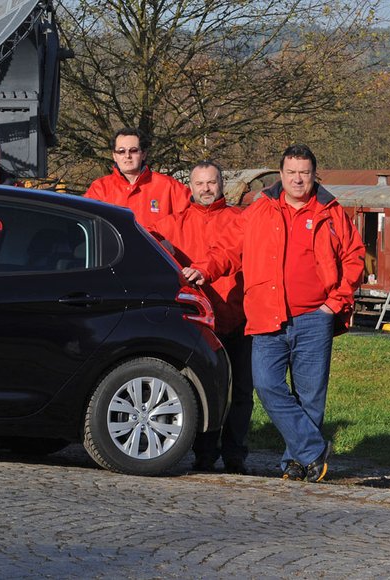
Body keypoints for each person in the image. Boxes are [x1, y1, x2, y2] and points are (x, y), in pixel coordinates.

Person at [184, 145, 365, 482]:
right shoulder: (259, 209)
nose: (298, 179)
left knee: (310, 396)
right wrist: (204, 270)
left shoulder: (331, 211)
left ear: (314, 175)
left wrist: (334, 304)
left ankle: (297, 463)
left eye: (305, 173)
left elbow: (354, 257)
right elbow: (228, 249)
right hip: (267, 315)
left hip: (315, 316)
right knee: (267, 385)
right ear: (281, 175)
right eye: (292, 172)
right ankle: (313, 449)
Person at [148, 161, 251, 475]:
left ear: (222, 184)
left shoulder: (241, 219)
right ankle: (203, 453)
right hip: (197, 322)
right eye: (200, 183)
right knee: (203, 388)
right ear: (190, 187)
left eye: (212, 182)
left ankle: (236, 455)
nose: (206, 189)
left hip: (238, 317)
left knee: (242, 390)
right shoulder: (171, 224)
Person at [84, 127, 190, 228]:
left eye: (133, 150)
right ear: (114, 156)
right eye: (121, 151)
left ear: (143, 154)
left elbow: (196, 215)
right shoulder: (100, 189)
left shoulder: (168, 186)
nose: (127, 156)